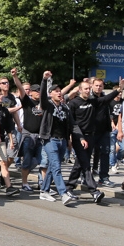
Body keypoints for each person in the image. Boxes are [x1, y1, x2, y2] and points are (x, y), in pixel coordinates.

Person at [36, 73, 73, 204]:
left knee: (53, 166)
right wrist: (45, 80)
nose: (59, 93)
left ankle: (44, 191)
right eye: (56, 91)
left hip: (62, 140)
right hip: (50, 139)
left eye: (60, 91)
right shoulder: (48, 105)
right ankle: (63, 193)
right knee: (56, 166)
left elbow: (68, 125)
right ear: (51, 94)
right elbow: (41, 95)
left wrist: (69, 140)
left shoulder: (65, 107)